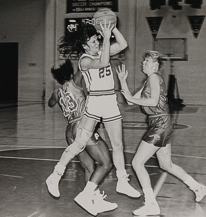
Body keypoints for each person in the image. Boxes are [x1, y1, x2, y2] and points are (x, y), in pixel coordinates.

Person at [46, 21, 140, 216]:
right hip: (96, 102)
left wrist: (112, 27)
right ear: (84, 45)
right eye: (93, 40)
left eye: (97, 39)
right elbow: (104, 62)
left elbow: (122, 45)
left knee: (118, 144)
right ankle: (56, 175)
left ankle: (121, 181)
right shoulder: (85, 60)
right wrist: (106, 38)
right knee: (81, 144)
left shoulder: (101, 51)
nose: (97, 42)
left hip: (110, 101)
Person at [116, 51, 206, 215]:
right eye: (144, 60)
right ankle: (198, 187)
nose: (143, 63)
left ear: (155, 65)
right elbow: (129, 101)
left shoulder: (154, 77)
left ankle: (151, 204)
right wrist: (123, 82)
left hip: (160, 123)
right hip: (161, 123)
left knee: (137, 163)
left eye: (147, 61)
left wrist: (129, 94)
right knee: (166, 164)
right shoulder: (147, 81)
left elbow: (152, 101)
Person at [47, 59, 117, 215]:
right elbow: (84, 68)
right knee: (106, 163)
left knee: (89, 168)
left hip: (70, 131)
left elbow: (50, 104)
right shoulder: (75, 82)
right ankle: (86, 196)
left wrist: (59, 95)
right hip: (83, 126)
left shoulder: (56, 93)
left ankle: (95, 199)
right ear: (71, 74)